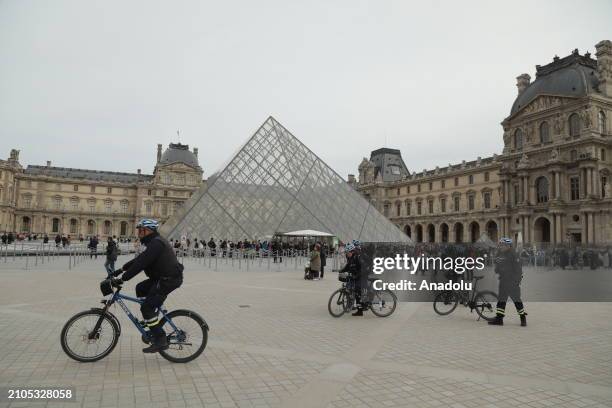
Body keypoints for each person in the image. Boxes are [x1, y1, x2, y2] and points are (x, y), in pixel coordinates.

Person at [111, 219, 184, 353]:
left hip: (169, 280)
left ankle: (160, 339)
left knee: (146, 308)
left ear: (148, 230)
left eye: (140, 230)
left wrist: (123, 279)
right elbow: (139, 259)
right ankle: (151, 318)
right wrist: (120, 270)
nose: (138, 232)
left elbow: (141, 264)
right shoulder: (153, 242)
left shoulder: (157, 243)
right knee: (140, 288)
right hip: (161, 278)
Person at [489, 237, 527, 327]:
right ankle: (499, 319)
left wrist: (517, 281)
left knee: (517, 300)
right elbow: (498, 265)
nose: (501, 246)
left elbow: (518, 270)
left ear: (508, 245)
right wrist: (497, 268)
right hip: (503, 281)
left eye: (503, 245)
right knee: (501, 300)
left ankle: (523, 318)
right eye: (500, 244)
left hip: (512, 282)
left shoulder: (514, 254)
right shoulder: (501, 254)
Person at [340, 243, 364, 316]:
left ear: (352, 251)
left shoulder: (357, 258)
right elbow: (347, 267)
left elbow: (362, 269)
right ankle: (351, 305)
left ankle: (360, 311)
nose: (346, 254)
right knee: (353, 290)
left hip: (361, 276)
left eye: (347, 252)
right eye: (346, 253)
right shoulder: (351, 258)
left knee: (357, 292)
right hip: (355, 276)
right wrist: (341, 271)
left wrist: (356, 276)